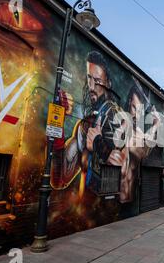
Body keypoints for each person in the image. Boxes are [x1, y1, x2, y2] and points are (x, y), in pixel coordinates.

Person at [51, 51, 122, 197]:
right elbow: (58, 180)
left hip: (103, 213)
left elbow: (120, 164)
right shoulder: (85, 126)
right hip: (80, 214)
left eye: (97, 81)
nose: (91, 86)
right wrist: (58, 118)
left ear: (108, 83)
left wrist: (98, 144)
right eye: (89, 78)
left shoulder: (117, 118)